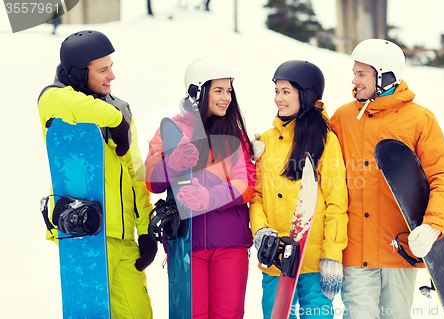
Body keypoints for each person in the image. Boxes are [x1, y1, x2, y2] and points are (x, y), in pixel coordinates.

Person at [330, 39, 444, 319]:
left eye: (361, 74)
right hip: (355, 251)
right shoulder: (343, 117)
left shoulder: (419, 119)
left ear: (385, 75)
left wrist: (432, 226)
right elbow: (317, 161)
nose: (354, 80)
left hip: (398, 251)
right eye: (354, 72)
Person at [38, 30, 157, 318]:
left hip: (123, 237)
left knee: (138, 313)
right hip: (84, 235)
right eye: (102, 69)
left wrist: (146, 229)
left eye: (111, 66)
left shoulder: (120, 108)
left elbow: (134, 175)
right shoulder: (54, 101)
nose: (112, 76)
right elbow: (70, 104)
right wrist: (116, 120)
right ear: (79, 73)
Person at [144, 57, 256, 319]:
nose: (226, 98)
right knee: (191, 314)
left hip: (230, 243)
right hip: (186, 243)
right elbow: (152, 181)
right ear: (197, 91)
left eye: (229, 91)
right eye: (218, 90)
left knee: (227, 314)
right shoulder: (170, 129)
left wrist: (210, 196)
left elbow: (247, 183)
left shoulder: (234, 133)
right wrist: (171, 163)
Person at [249, 60, 349, 318]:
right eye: (277, 91)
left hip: (313, 260)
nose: (278, 99)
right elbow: (257, 196)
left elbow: (337, 203)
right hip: (275, 257)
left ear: (306, 95)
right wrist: (260, 230)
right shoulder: (267, 141)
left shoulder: (325, 140)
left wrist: (331, 255)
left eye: (286, 92)